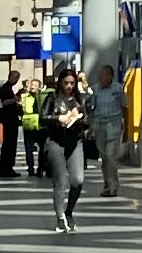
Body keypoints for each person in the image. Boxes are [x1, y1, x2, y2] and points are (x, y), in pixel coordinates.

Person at [35, 64, 93, 233]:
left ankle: (69, 211)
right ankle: (60, 217)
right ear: (60, 82)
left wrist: (79, 119)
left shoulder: (79, 99)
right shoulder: (52, 97)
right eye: (66, 83)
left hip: (75, 141)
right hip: (56, 141)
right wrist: (58, 118)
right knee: (60, 181)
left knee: (78, 180)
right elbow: (42, 118)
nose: (69, 86)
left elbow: (87, 120)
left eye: (72, 83)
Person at [89, 61, 126, 203]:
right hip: (99, 125)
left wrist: (127, 127)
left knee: (110, 155)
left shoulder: (118, 89)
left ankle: (113, 185)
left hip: (114, 124)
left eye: (104, 75)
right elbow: (91, 109)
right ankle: (107, 182)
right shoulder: (95, 90)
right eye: (100, 75)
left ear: (110, 76)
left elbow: (125, 107)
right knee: (104, 156)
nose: (101, 78)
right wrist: (91, 127)